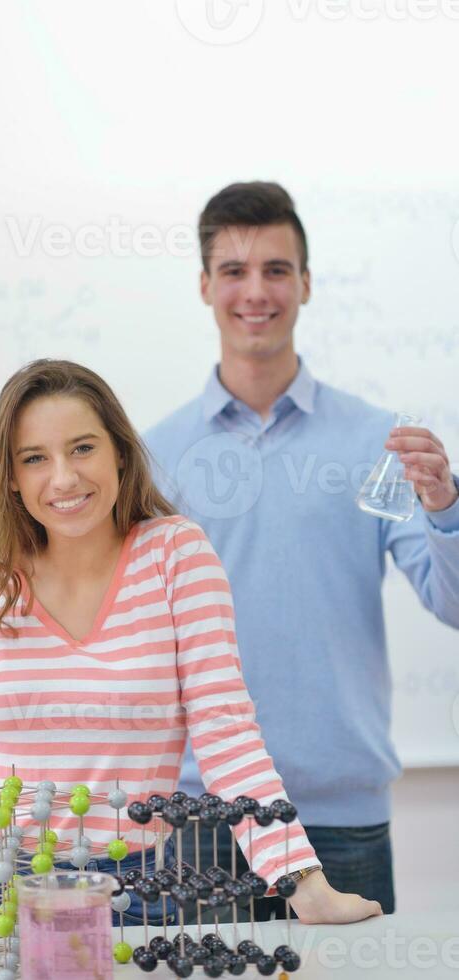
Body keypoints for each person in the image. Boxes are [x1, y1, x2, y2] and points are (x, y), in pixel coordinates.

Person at [0, 358, 381, 942]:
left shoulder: (176, 555)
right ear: (10, 476)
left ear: (120, 454)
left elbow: (226, 732)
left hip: (128, 895)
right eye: (35, 458)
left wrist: (301, 883)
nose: (63, 479)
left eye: (82, 448)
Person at [143, 182, 459, 921]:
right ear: (204, 286)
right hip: (200, 818)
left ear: (307, 283)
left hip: (339, 817)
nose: (256, 291)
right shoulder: (153, 457)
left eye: (277, 270)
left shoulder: (378, 442)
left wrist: (446, 507)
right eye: (234, 271)